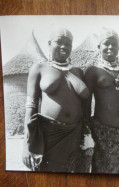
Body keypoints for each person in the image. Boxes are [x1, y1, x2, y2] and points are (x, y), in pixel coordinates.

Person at [22, 28, 90, 172]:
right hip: (49, 135)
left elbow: (86, 107)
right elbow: (31, 106)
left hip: (75, 134)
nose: (64, 46)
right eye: (59, 42)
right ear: (49, 43)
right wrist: (26, 144)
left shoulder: (78, 71)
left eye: (68, 43)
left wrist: (87, 135)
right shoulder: (39, 68)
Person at [84, 27, 119, 174]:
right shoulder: (93, 71)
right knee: (101, 172)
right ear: (99, 47)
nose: (110, 47)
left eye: (114, 44)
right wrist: (86, 132)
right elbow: (85, 104)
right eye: (106, 43)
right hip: (101, 131)